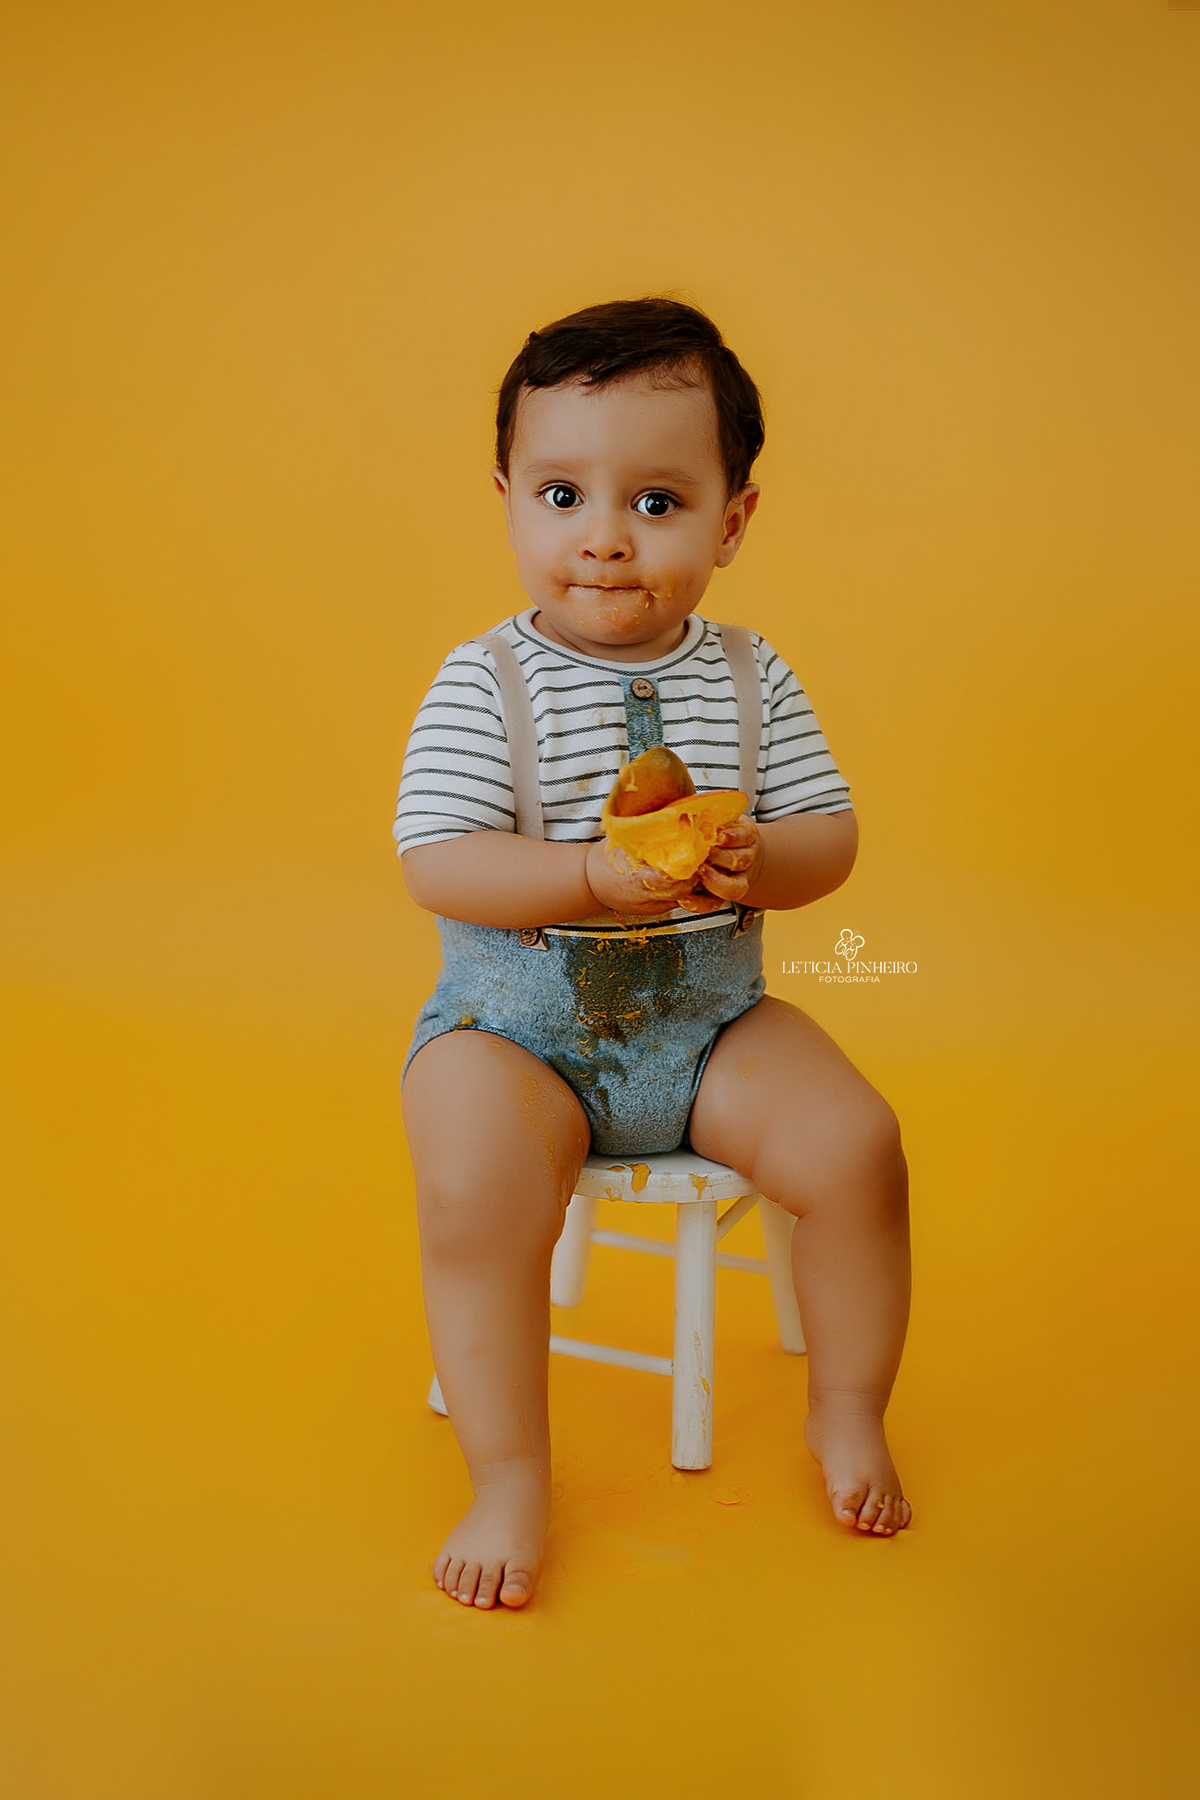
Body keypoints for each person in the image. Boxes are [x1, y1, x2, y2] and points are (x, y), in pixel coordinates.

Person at [393, 298, 912, 1611]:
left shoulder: (751, 677)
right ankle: (510, 1476)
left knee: (858, 1145)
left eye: (660, 502)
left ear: (733, 520)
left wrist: (762, 860)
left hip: (709, 1027)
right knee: (473, 1188)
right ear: (508, 500)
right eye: (563, 494)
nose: (606, 538)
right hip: (516, 1037)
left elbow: (834, 838)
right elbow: (436, 860)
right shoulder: (486, 683)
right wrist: (583, 878)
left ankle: (848, 1410)